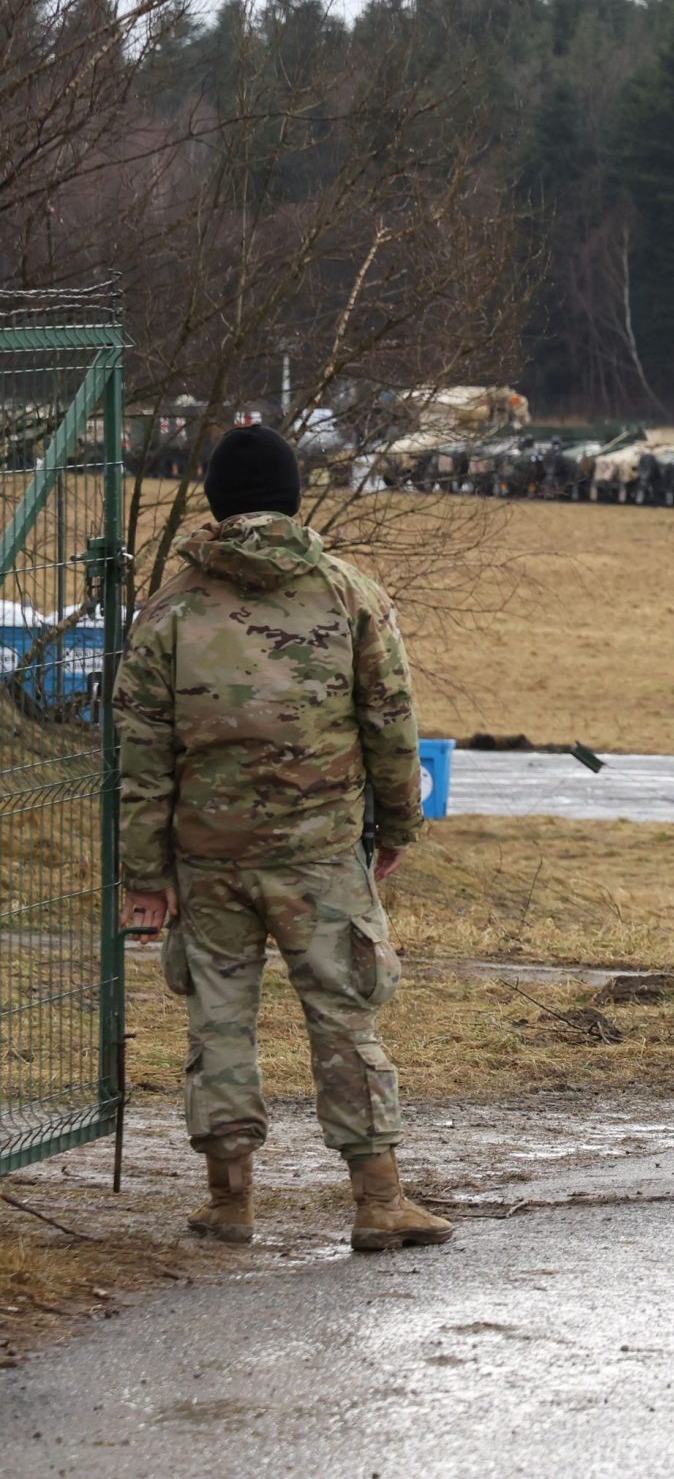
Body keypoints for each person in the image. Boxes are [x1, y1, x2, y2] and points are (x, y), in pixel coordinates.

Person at [114, 424, 451, 1253]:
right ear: (295, 496)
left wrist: (144, 873)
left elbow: (141, 755)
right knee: (344, 1014)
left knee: (218, 1022)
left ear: (216, 500)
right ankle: (379, 1200)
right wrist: (400, 823)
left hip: (208, 855)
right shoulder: (349, 592)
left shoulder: (170, 607)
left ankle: (229, 1202)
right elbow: (392, 724)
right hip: (320, 853)